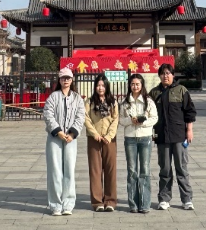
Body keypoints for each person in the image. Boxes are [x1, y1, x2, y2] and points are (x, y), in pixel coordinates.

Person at [150, 63, 196, 211]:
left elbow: (189, 112)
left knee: (181, 168)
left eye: (168, 73)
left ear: (173, 75)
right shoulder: (154, 93)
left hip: (179, 135)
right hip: (162, 136)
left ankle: (187, 199)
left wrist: (189, 130)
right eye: (163, 73)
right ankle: (164, 199)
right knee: (165, 169)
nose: (165, 76)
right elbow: (149, 114)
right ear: (159, 75)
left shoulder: (181, 90)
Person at [43, 67, 86, 215]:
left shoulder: (77, 98)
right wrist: (58, 131)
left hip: (70, 139)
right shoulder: (53, 97)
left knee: (69, 170)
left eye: (68, 78)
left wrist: (72, 133)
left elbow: (81, 116)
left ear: (72, 80)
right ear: (59, 80)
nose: (66, 80)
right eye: (63, 78)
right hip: (55, 137)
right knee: (55, 170)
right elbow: (48, 114)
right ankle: (55, 204)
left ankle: (68, 204)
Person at [119, 73, 158, 213]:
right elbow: (120, 120)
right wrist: (131, 120)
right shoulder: (125, 102)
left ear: (142, 85)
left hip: (145, 138)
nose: (135, 86)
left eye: (137, 84)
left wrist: (142, 121)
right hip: (130, 138)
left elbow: (155, 118)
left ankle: (145, 204)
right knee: (132, 171)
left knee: (145, 170)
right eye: (133, 84)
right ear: (129, 85)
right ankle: (133, 204)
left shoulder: (148, 101)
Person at [85, 74, 119, 212]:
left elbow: (116, 119)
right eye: (98, 85)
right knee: (95, 170)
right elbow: (86, 119)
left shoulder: (113, 102)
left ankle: (110, 200)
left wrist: (109, 135)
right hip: (94, 139)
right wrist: (95, 134)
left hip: (109, 139)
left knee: (110, 169)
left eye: (103, 85)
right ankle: (97, 201)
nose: (100, 88)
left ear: (107, 87)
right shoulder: (89, 102)